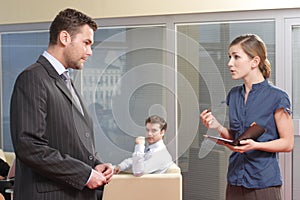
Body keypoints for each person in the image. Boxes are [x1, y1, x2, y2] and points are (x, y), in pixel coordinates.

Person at [10, 8, 113, 200]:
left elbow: (71, 140)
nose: (89, 52)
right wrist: (85, 174)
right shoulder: (32, 78)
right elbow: (29, 146)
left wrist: (95, 165)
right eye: (86, 43)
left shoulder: (65, 81)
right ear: (64, 38)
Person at [200, 34, 294, 200]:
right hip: (235, 181)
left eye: (236, 57)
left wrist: (256, 145)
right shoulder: (234, 95)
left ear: (255, 62)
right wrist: (217, 127)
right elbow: (237, 139)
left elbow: (287, 143)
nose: (230, 63)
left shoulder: (277, 97)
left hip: (263, 183)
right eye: (230, 57)